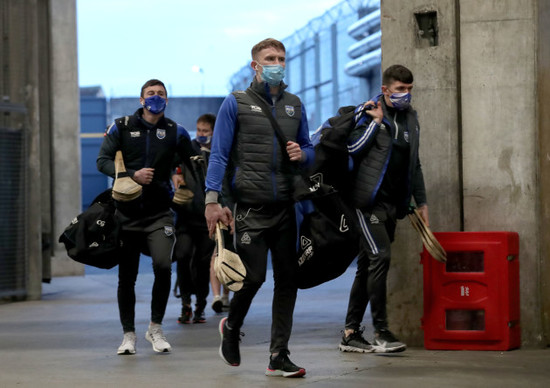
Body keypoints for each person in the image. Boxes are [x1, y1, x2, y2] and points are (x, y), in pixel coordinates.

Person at [204, 38, 314, 378]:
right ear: (256, 65)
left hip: (285, 207)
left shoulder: (295, 105)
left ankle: (278, 354)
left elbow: (310, 148)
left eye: (281, 58)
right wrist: (211, 200)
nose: (276, 63)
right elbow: (219, 154)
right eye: (270, 58)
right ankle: (232, 328)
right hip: (249, 208)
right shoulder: (235, 103)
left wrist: (303, 154)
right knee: (252, 278)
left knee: (287, 282)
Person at [97, 79, 195, 355]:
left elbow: (196, 162)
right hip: (126, 214)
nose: (155, 97)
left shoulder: (176, 131)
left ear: (167, 100)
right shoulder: (122, 126)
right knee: (126, 277)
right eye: (150, 94)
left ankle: (156, 327)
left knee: (163, 266)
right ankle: (128, 335)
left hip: (160, 213)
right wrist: (130, 175)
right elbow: (102, 160)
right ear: (141, 100)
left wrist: (203, 191)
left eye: (160, 94)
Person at [338, 64, 428, 354]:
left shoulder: (411, 119)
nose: (406, 95)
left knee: (366, 266)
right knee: (380, 256)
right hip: (367, 202)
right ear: (386, 89)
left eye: (409, 89)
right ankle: (381, 331)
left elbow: (415, 164)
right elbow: (353, 149)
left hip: (393, 206)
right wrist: (375, 122)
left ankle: (350, 333)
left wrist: (421, 202)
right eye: (400, 89)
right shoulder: (370, 112)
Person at [172, 113, 217, 324]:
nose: (201, 134)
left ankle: (200, 304)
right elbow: (173, 165)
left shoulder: (219, 152)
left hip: (207, 220)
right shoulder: (187, 149)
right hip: (185, 216)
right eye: (199, 130)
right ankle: (185, 304)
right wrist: (175, 175)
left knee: (202, 262)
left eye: (205, 131)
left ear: (213, 132)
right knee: (182, 256)